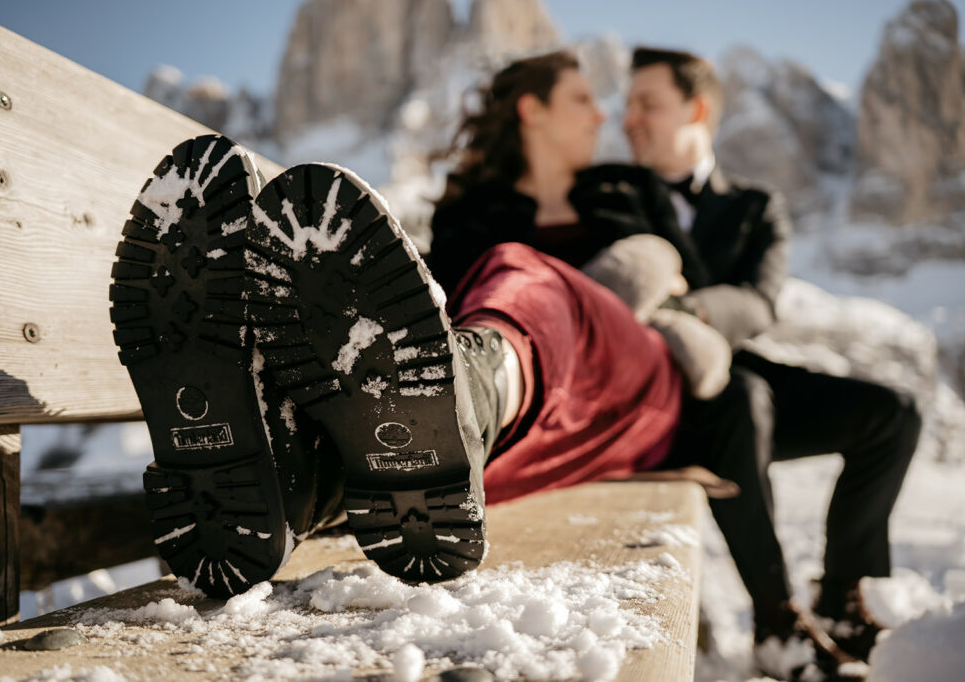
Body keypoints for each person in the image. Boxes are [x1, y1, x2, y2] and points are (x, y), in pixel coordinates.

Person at [109, 52, 688, 606]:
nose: (602, 113)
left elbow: (711, 295)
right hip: (522, 439)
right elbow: (412, 316)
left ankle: (464, 393)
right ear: (532, 110)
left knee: (523, 273)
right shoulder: (470, 212)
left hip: (618, 381)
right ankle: (300, 477)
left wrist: (669, 292)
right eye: (583, 97)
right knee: (431, 409)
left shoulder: (625, 194)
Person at [615, 46, 922, 675]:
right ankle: (776, 620)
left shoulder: (756, 205)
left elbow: (759, 302)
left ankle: (841, 597)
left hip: (736, 368)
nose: (629, 119)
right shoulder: (612, 193)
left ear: (697, 109)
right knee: (745, 397)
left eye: (647, 103)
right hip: (651, 396)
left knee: (894, 413)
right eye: (627, 104)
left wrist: (689, 309)